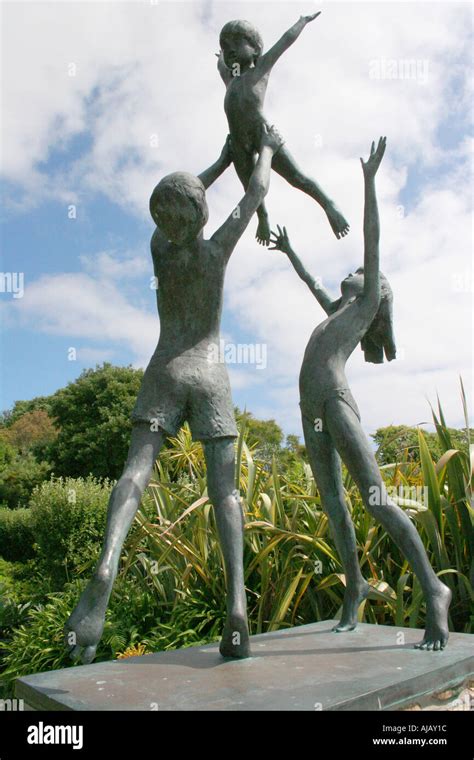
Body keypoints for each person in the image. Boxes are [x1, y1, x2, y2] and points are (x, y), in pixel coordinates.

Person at [64, 125, 285, 664]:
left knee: (134, 474)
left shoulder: (159, 247)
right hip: (209, 372)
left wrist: (209, 164)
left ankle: (106, 565)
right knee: (225, 495)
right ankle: (237, 605)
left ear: (164, 215)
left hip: (164, 367)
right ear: (201, 215)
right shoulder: (215, 251)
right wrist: (267, 150)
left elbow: (181, 201)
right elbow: (255, 192)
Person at [269, 137, 451, 650]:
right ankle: (355, 589)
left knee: (375, 499)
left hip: (333, 399)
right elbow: (311, 285)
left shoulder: (368, 300)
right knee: (333, 504)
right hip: (309, 406)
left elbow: (372, 238)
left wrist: (368, 182)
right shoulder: (337, 312)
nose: (349, 270)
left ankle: (434, 589)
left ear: (373, 286)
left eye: (356, 269)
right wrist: (290, 253)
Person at [216, 13, 349, 245]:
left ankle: (329, 205)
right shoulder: (231, 80)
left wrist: (302, 21)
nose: (230, 51)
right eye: (226, 48)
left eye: (236, 44)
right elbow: (221, 67)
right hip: (237, 143)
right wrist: (220, 58)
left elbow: (285, 41)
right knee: (250, 189)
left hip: (263, 134)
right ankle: (263, 216)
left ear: (255, 50)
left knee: (297, 177)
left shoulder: (259, 71)